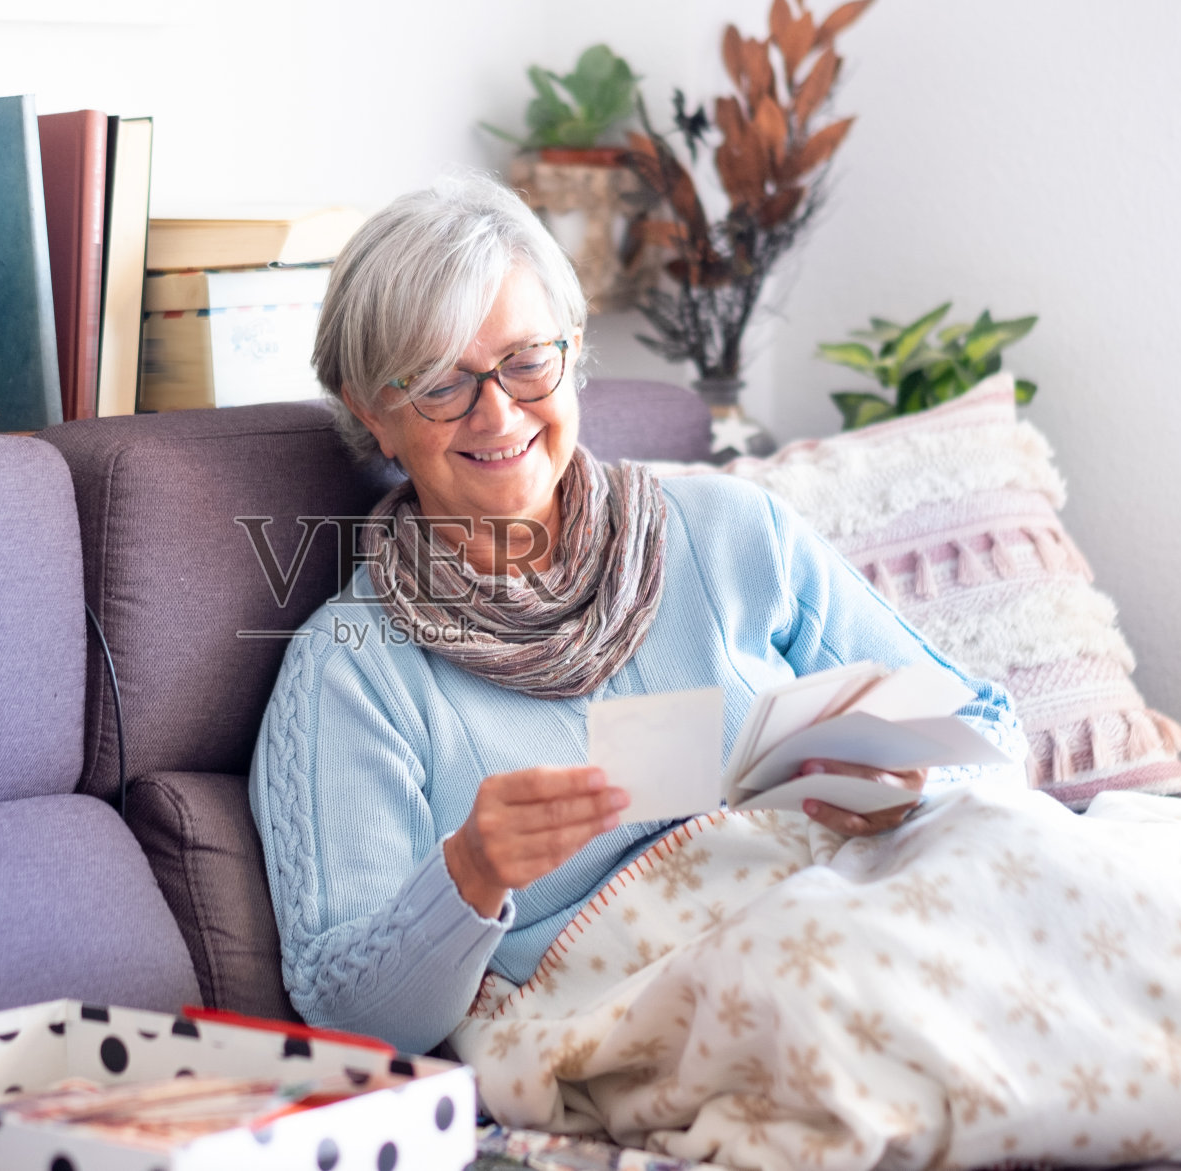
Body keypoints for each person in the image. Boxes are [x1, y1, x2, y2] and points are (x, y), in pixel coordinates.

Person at [247, 176, 1025, 1056]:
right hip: (682, 1014)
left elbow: (987, 733)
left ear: (573, 354)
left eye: (527, 360)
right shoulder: (351, 671)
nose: (498, 411)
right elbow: (348, 1016)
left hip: (879, 924)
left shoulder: (737, 530)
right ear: (373, 413)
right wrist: (469, 875)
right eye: (440, 382)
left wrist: (915, 784)